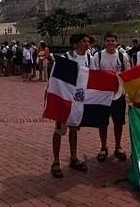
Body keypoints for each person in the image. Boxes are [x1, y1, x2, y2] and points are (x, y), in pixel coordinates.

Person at [50, 33, 93, 177]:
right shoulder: (64, 59)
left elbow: (93, 76)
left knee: (74, 129)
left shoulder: (89, 58)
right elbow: (56, 80)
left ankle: (73, 158)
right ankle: (56, 161)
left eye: (88, 41)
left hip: (78, 101)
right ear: (75, 44)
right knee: (59, 131)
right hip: (64, 100)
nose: (87, 44)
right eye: (84, 41)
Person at [90, 32, 131, 163]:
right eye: (108, 41)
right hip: (103, 95)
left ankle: (118, 147)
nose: (110, 43)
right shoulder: (98, 55)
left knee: (118, 122)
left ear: (116, 42)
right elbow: (94, 73)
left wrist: (127, 93)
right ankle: (103, 147)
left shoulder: (122, 56)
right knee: (102, 122)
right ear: (104, 42)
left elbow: (128, 74)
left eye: (113, 41)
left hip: (119, 94)